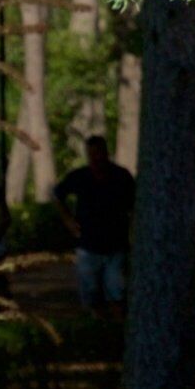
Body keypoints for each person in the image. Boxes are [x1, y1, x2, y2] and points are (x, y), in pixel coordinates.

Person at [59, 132, 136, 312]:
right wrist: (68, 220)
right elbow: (58, 195)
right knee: (91, 293)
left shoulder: (121, 176)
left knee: (117, 290)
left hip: (116, 244)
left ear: (106, 153)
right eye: (91, 153)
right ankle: (96, 326)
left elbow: (134, 207)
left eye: (99, 152)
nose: (96, 157)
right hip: (88, 244)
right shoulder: (80, 176)